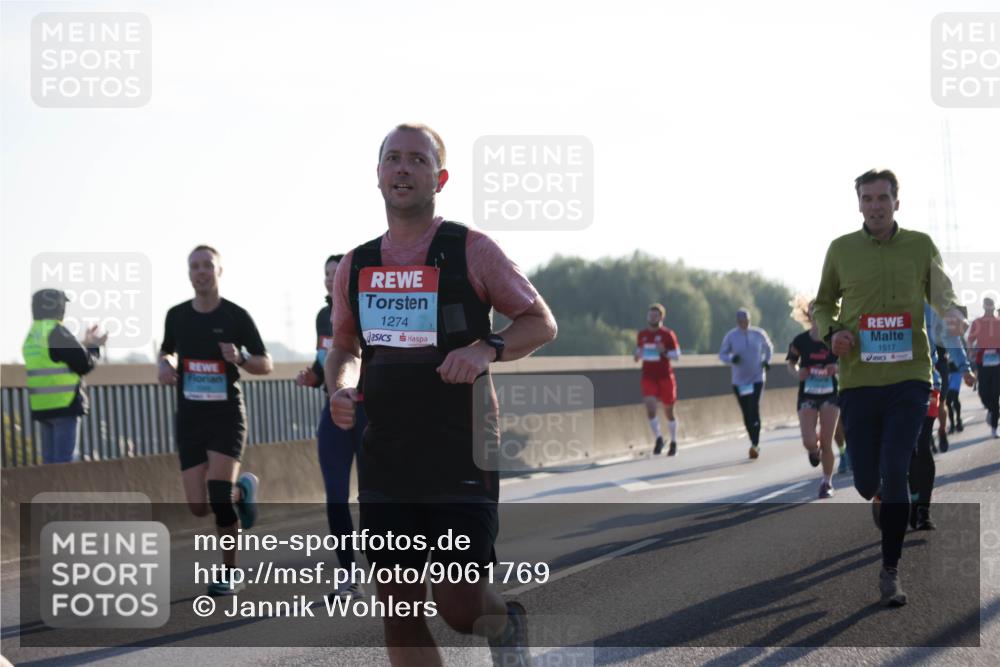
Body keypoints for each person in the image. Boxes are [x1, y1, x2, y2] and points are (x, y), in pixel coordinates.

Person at [325, 124, 557, 667]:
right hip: (387, 453)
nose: (403, 169)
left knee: (458, 606)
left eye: (417, 160)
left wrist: (485, 349)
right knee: (399, 613)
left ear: (440, 177)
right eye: (393, 159)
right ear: (378, 175)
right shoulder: (357, 265)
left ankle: (505, 624)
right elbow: (344, 345)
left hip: (461, 447)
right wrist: (342, 386)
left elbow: (539, 322)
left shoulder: (470, 248)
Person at [813, 168, 967, 607]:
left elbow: (942, 292)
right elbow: (823, 303)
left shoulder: (919, 246)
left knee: (898, 468)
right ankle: (878, 492)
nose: (875, 206)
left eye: (883, 198)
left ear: (897, 202)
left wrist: (954, 313)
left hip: (910, 377)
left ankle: (890, 572)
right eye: (868, 199)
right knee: (865, 481)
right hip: (860, 379)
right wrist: (832, 333)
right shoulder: (840, 250)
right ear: (858, 204)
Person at [158, 245, 273, 596]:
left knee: (218, 497)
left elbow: (265, 363)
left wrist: (239, 357)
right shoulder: (177, 315)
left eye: (208, 265)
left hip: (226, 416)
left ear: (219, 271)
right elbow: (167, 350)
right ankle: (244, 490)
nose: (201, 272)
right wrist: (165, 363)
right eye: (195, 266)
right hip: (190, 418)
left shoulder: (235, 316)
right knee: (197, 507)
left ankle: (229, 571)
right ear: (188, 273)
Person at [295, 253, 367, 600]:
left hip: (368, 412)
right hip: (334, 411)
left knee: (373, 497)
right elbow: (327, 360)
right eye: (326, 274)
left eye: (336, 273)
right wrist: (311, 377)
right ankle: (348, 574)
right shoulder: (323, 315)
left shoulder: (368, 309)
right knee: (336, 496)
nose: (330, 279)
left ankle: (390, 567)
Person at [22, 289, 107, 463]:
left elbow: (56, 357)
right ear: (59, 307)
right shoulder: (56, 332)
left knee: (49, 464)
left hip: (42, 406)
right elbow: (84, 363)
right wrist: (94, 346)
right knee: (65, 464)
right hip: (65, 404)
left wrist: (84, 343)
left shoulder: (33, 334)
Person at [785, 296, 839, 498]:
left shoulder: (834, 338)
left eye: (819, 310)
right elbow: (791, 363)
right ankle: (813, 449)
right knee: (809, 441)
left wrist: (837, 368)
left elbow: (847, 362)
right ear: (807, 314)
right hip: (807, 395)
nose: (815, 314)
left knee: (826, 442)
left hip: (830, 396)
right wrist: (797, 372)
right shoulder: (800, 341)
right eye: (812, 311)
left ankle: (827, 483)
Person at [718, 307, 774, 459]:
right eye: (741, 321)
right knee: (746, 411)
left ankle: (755, 443)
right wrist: (731, 359)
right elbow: (722, 354)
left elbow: (769, 348)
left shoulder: (758, 333)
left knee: (754, 407)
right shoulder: (731, 336)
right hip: (740, 381)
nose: (744, 324)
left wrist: (766, 361)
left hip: (757, 377)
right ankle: (752, 439)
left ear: (750, 320)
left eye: (747, 321)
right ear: (737, 322)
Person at [633, 303, 681, 456]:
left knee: (669, 411)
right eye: (650, 315)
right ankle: (659, 438)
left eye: (655, 315)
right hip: (648, 376)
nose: (652, 317)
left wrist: (664, 351)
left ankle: (673, 441)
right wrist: (637, 355)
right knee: (651, 409)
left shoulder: (668, 334)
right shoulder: (642, 335)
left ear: (661, 317)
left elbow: (677, 355)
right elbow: (638, 352)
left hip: (665, 376)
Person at [968, 296, 1000, 438]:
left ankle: (994, 427)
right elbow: (970, 340)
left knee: (995, 393)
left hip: (998, 363)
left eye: (991, 307)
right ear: (983, 307)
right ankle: (992, 410)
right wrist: (971, 351)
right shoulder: (977, 323)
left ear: (993, 307)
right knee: (983, 393)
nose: (989, 310)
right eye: (987, 307)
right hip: (983, 362)